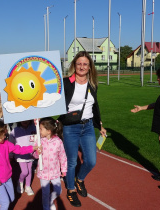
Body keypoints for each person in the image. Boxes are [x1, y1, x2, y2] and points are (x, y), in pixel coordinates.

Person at [58, 51, 106, 207]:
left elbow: (95, 105)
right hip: (70, 127)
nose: (82, 66)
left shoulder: (92, 84)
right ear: (74, 65)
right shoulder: (66, 83)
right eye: (79, 63)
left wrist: (100, 125)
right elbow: (53, 101)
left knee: (91, 161)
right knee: (72, 161)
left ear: (90, 67)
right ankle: (71, 190)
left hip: (88, 127)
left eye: (85, 64)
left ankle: (79, 179)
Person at [0, 120, 41, 210]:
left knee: (11, 198)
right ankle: (1, 203)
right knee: (6, 203)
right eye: (3, 135)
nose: (5, 136)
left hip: (8, 178)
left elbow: (18, 149)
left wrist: (32, 148)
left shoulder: (6, 144)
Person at [33, 117, 67, 210]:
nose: (39, 131)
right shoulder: (39, 141)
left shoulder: (58, 142)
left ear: (49, 131)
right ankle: (46, 207)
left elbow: (62, 156)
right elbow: (34, 156)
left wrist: (63, 169)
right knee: (45, 193)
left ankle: (50, 201)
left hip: (55, 172)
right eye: (39, 128)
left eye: (41, 129)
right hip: (43, 172)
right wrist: (37, 153)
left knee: (58, 190)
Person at [9, 120, 36, 196]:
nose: (25, 121)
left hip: (31, 154)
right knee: (25, 171)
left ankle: (28, 186)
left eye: (27, 120)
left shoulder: (34, 128)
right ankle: (20, 182)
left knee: (30, 171)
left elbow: (37, 139)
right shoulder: (15, 130)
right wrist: (11, 154)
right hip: (20, 155)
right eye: (23, 120)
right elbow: (11, 142)